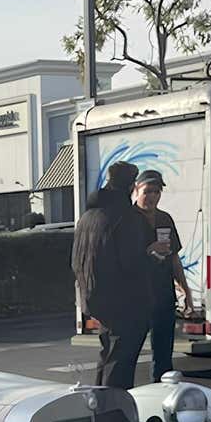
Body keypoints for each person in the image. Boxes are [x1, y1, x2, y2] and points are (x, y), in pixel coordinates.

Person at [72, 160, 154, 389]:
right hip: (126, 299)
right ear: (131, 186)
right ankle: (114, 411)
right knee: (121, 361)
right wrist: (151, 255)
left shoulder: (88, 216)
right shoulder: (125, 217)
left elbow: (75, 260)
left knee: (108, 353)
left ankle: (99, 403)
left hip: (96, 295)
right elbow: (132, 262)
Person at [133, 169, 194, 381]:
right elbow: (121, 259)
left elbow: (174, 257)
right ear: (136, 190)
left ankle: (160, 395)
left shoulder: (164, 218)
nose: (152, 196)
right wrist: (148, 249)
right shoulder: (128, 219)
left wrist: (185, 290)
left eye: (156, 192)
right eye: (147, 191)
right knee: (129, 353)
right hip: (136, 295)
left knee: (163, 354)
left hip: (163, 293)